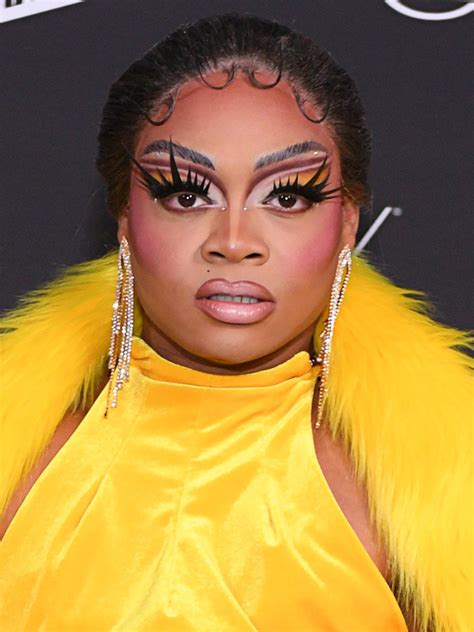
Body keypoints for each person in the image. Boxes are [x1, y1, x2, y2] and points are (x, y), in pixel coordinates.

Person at [0, 13, 471, 632]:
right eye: (187, 195)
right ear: (124, 216)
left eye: (287, 196)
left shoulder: (425, 507)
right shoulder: (22, 468)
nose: (233, 241)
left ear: (348, 223)